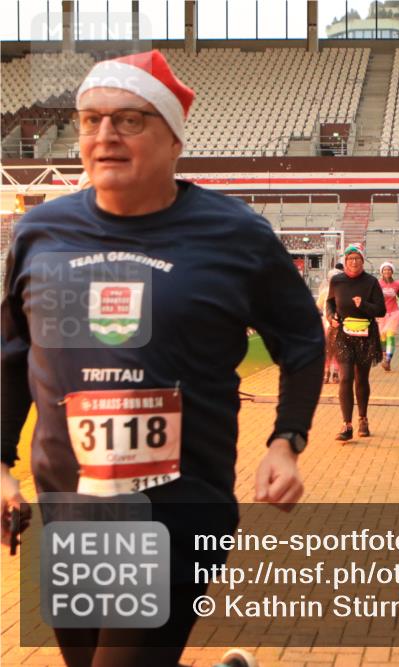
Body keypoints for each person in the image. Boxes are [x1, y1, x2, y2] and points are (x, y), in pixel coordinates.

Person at [0, 50, 325, 667]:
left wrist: (286, 440)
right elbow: (12, 353)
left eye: (129, 119)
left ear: (174, 137)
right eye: (91, 120)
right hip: (68, 511)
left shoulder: (234, 235)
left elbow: (304, 339)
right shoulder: (42, 232)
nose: (105, 136)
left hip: (174, 513)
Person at [326, 244, 386, 441]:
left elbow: (381, 310)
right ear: (345, 260)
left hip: (366, 336)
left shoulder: (371, 282)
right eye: (350, 258)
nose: (353, 262)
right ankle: (347, 424)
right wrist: (330, 316)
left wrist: (364, 305)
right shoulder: (337, 281)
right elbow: (330, 302)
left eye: (357, 259)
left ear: (362, 261)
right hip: (343, 335)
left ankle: (363, 418)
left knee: (361, 379)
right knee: (345, 378)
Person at [376, 262, 399, 371]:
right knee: (383, 337)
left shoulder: (397, 284)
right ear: (382, 272)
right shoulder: (378, 283)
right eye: (384, 270)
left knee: (390, 335)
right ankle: (384, 358)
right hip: (382, 314)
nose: (387, 271)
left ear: (392, 272)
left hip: (394, 313)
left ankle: (387, 360)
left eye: (389, 270)